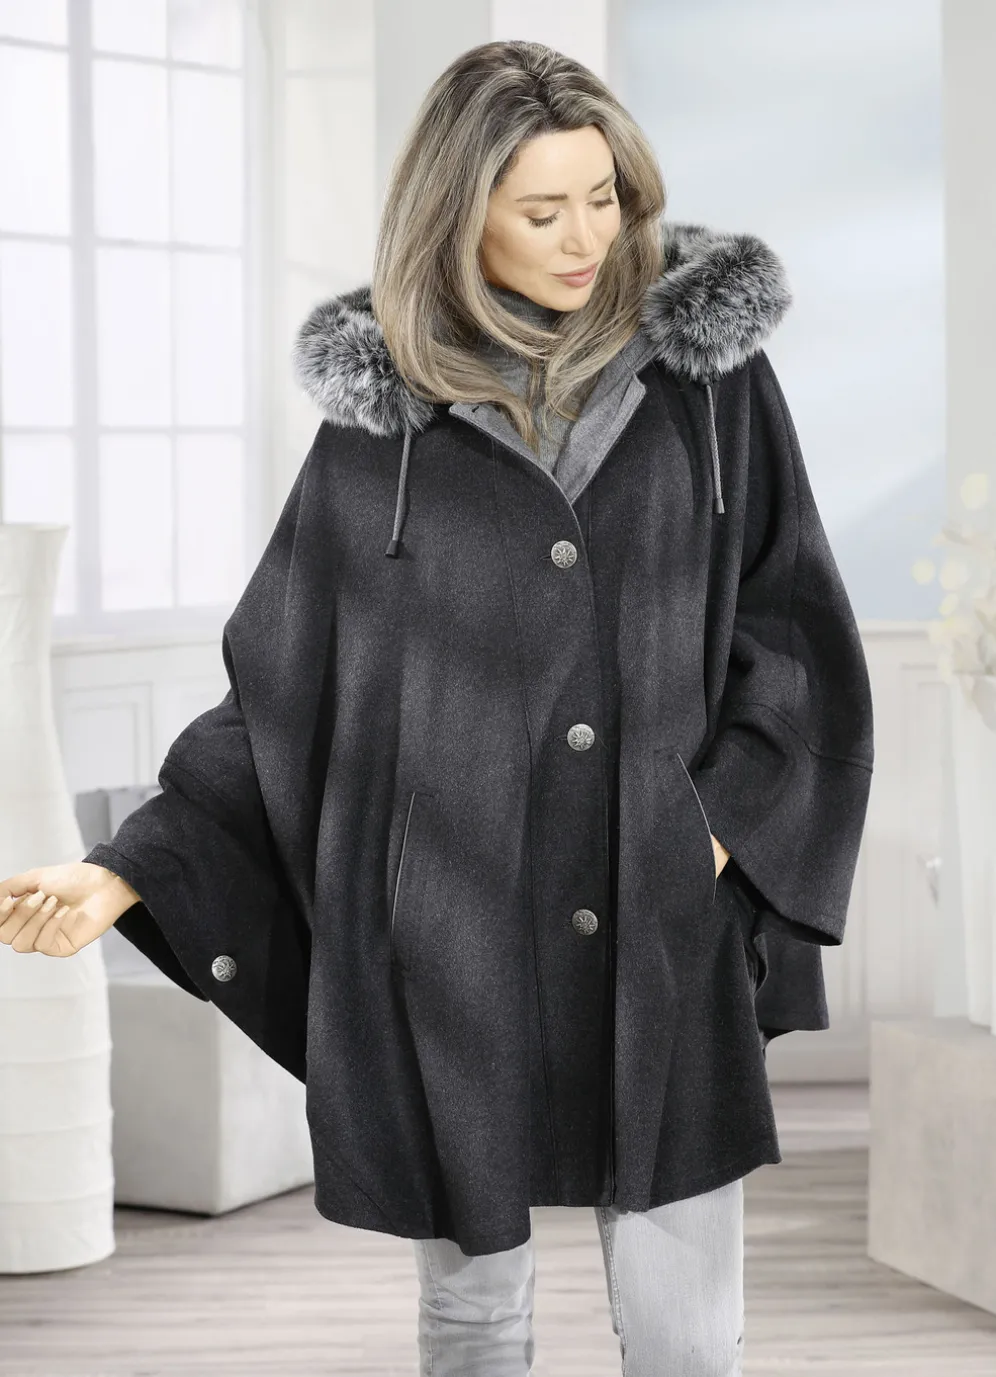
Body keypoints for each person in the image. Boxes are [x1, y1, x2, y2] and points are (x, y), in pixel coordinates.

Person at [0, 39, 874, 1377]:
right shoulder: (381, 422)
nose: (586, 239)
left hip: (659, 914)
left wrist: (711, 835)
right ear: (460, 215)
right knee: (472, 1320)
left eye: (605, 198)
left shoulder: (710, 383)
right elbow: (283, 683)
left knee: (689, 1333)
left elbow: (792, 626)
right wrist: (128, 869)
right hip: (455, 931)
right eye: (543, 210)